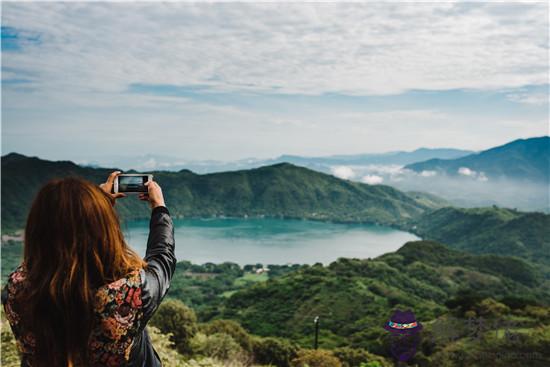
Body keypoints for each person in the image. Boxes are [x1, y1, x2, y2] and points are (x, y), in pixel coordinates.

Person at [1, 171, 176, 367]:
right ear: (105, 230)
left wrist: (98, 204)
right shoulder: (129, 295)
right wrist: (159, 207)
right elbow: (162, 257)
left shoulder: (16, 291)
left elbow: (54, 251)